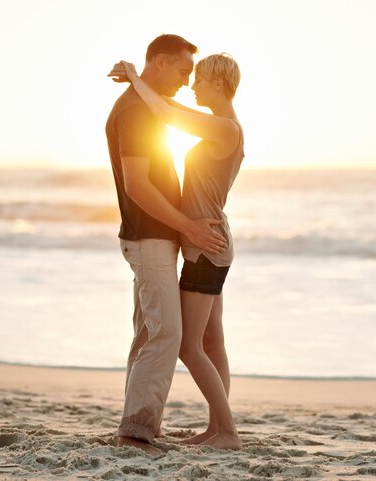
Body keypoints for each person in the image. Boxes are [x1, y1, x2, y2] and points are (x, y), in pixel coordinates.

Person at [107, 52, 244, 450]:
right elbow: (171, 108)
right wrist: (140, 82)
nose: (193, 85)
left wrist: (135, 76)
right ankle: (217, 428)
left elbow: (166, 113)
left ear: (218, 83)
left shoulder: (225, 129)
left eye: (198, 78)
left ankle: (228, 434)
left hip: (205, 245)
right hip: (210, 242)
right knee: (213, 342)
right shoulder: (221, 126)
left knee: (188, 345)